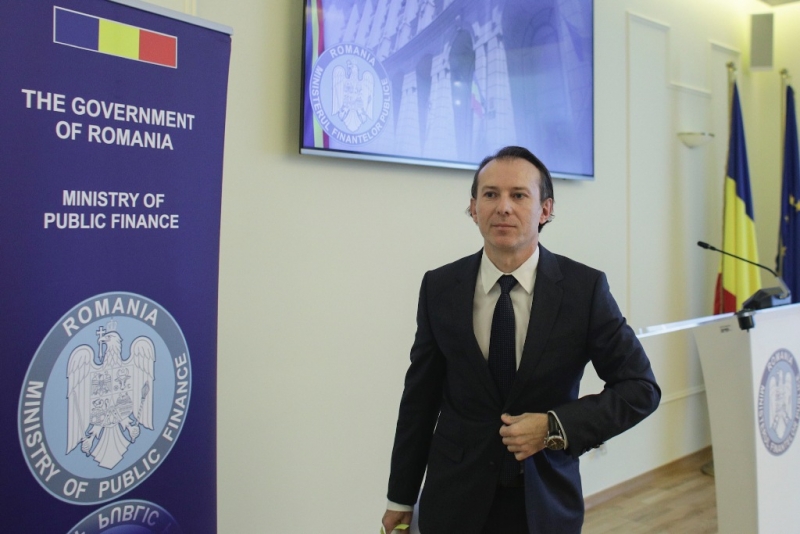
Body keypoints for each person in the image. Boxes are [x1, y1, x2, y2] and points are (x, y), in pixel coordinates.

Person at [381, 146, 660, 534]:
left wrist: (554, 426)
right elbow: (420, 400)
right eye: (490, 194)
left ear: (545, 209)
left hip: (543, 500)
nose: (503, 207)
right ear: (473, 208)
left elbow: (640, 388)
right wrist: (400, 497)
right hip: (453, 500)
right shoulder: (439, 287)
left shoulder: (584, 290)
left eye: (518, 195)